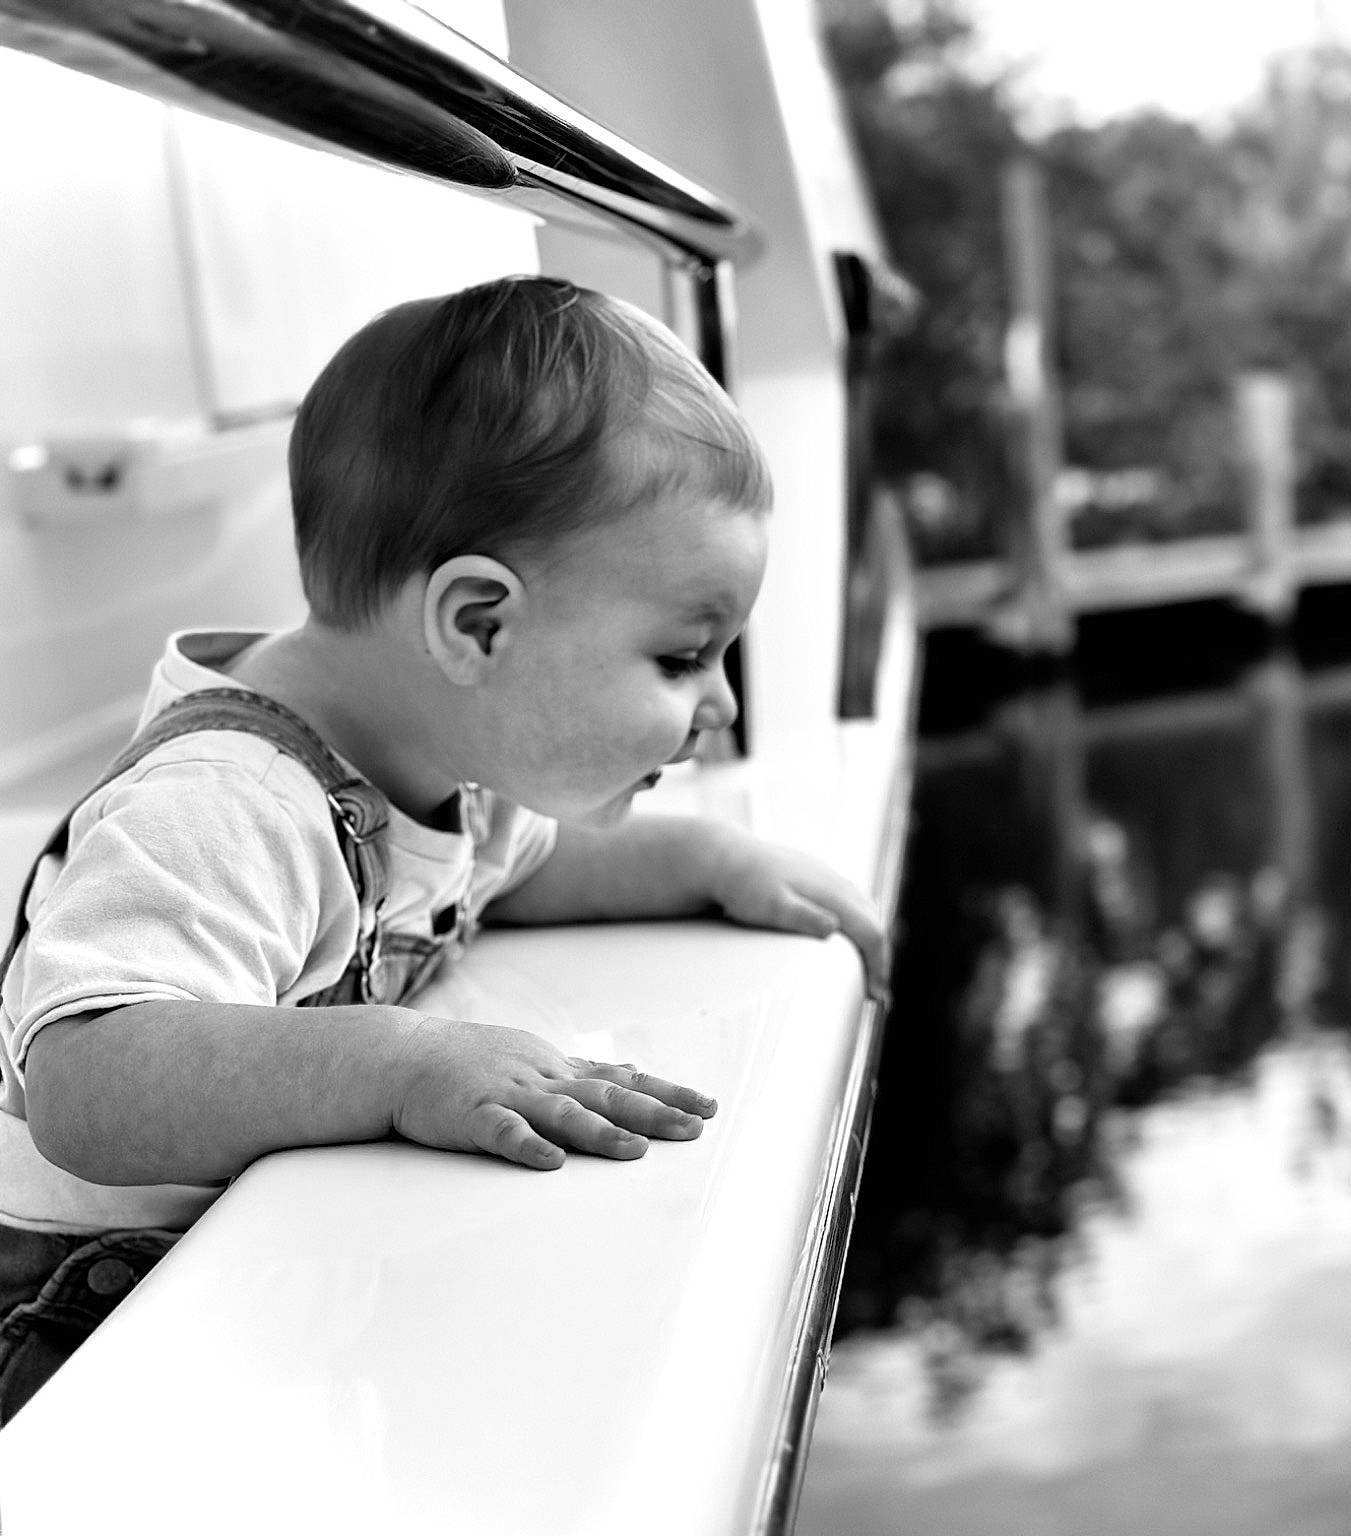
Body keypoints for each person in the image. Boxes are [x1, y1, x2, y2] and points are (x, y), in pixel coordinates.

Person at [0, 275, 891, 1420]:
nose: (716, 706)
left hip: (243, 1284)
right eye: (682, 658)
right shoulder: (231, 804)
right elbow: (85, 1075)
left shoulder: (438, 760)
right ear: (478, 623)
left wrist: (709, 866)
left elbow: (518, 871)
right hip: (70, 1332)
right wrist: (403, 1062)